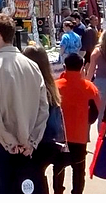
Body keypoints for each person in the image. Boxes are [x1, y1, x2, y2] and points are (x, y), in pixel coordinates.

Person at [0, 14, 49, 194]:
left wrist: (6, 138)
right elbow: (44, 108)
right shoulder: (32, 65)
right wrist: (32, 140)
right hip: (27, 143)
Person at [54, 53, 102, 194]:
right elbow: (95, 111)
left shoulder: (55, 86)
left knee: (58, 168)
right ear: (82, 67)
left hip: (59, 136)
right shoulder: (89, 87)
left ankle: (57, 192)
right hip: (79, 136)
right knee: (79, 171)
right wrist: (85, 123)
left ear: (64, 66)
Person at [24, 45, 62, 195]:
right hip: (52, 141)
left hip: (37, 141)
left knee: (32, 179)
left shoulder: (32, 86)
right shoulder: (51, 85)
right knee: (38, 176)